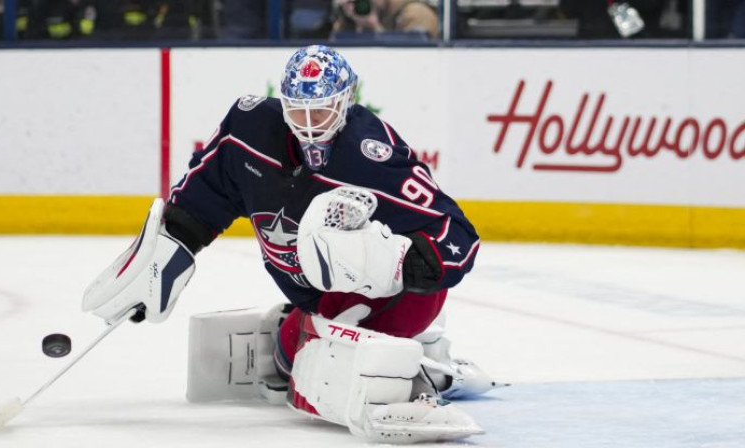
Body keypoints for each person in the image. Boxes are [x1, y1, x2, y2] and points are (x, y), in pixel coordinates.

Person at [82, 45, 488, 443]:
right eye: (298, 109)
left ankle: (426, 370)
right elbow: (203, 197)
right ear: (283, 100)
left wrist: (399, 261)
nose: (310, 123)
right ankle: (411, 349)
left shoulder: (369, 156)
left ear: (347, 101)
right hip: (319, 299)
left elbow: (457, 234)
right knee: (285, 356)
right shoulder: (249, 130)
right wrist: (165, 254)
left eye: (322, 109)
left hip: (393, 300)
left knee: (316, 370)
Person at [332, 0, 439, 40]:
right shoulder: (348, 19)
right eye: (347, 5)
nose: (352, 9)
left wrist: (375, 29)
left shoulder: (416, 13)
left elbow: (414, 61)